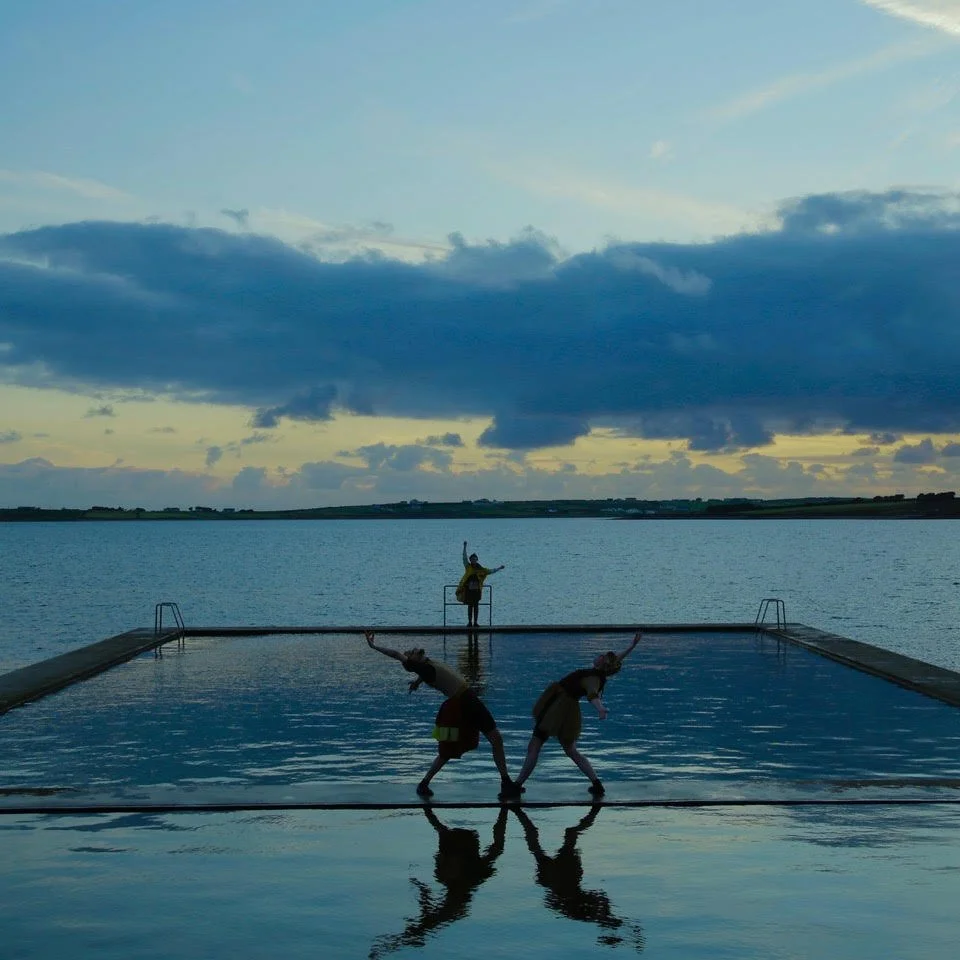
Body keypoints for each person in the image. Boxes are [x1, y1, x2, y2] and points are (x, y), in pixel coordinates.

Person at [365, 631, 521, 798]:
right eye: (410, 653)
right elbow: (396, 654)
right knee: (449, 749)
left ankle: (506, 783)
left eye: (411, 651)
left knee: (495, 739)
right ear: (413, 661)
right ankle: (424, 783)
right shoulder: (423, 667)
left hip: (469, 700)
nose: (412, 650)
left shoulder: (427, 665)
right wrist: (373, 646)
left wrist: (417, 683)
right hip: (462, 705)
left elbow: (426, 674)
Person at [512, 631, 642, 796]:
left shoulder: (593, 678)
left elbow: (592, 695)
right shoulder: (599, 674)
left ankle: (517, 785)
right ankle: (596, 783)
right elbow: (616, 659)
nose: (599, 656)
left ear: (602, 664)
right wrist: (632, 646)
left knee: (534, 745)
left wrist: (600, 708)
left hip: (557, 710)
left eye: (601, 656)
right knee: (570, 750)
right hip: (565, 709)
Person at [368, 806, 508, 958]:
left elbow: (430, 907)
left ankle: (416, 934)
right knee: (446, 909)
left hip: (461, 853)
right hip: (461, 851)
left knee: (445, 909)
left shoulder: (454, 876)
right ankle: (416, 934)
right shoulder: (457, 877)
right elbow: (496, 848)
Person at [456, 541, 504, 627]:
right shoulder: (468, 567)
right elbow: (464, 558)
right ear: (470, 560)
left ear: (477, 560)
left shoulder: (481, 569)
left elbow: (490, 571)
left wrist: (499, 568)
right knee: (470, 606)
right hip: (468, 590)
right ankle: (470, 622)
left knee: (476, 606)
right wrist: (464, 546)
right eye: (472, 559)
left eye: (475, 559)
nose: (473, 560)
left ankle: (476, 622)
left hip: (477, 590)